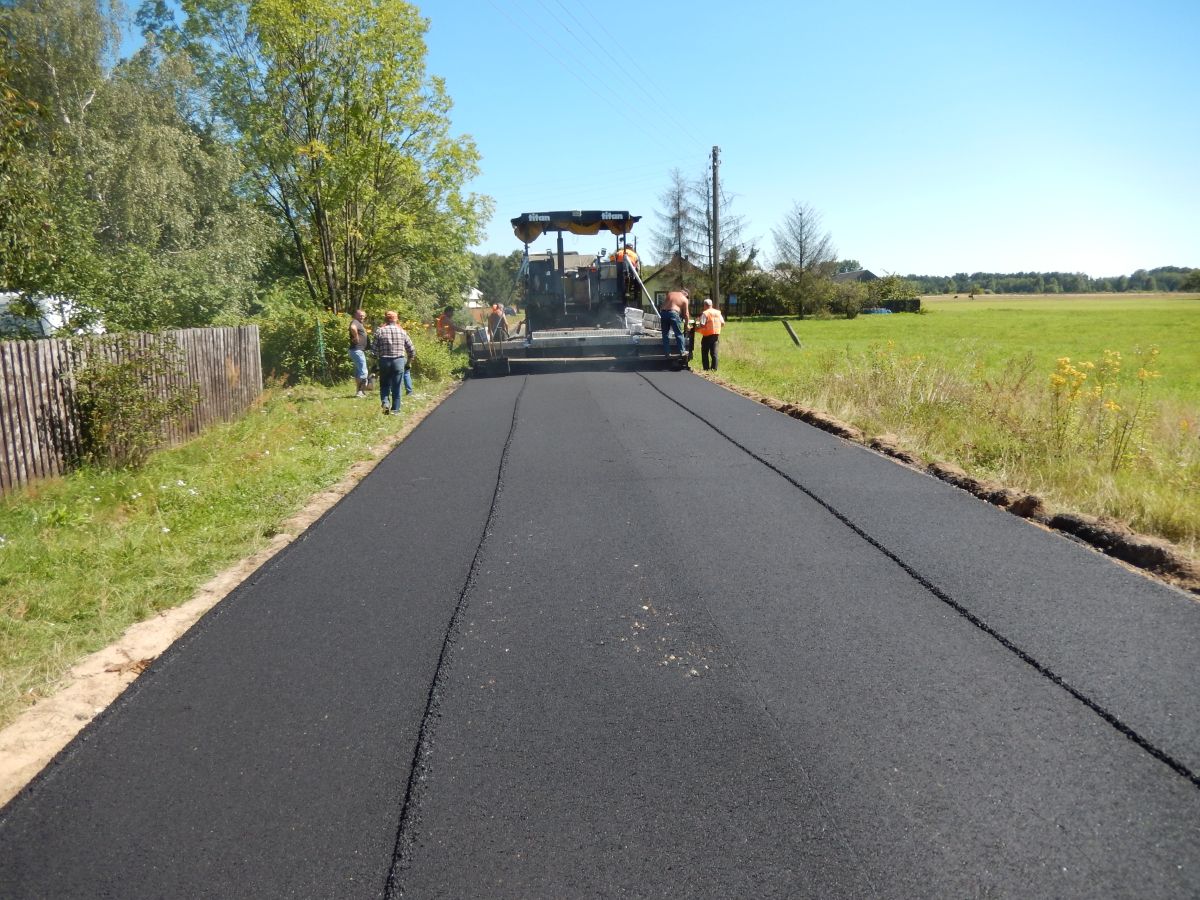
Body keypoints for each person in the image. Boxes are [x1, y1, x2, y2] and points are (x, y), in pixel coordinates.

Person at [372, 310, 415, 415]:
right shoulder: (402, 331)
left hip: (384, 361)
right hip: (399, 361)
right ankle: (395, 410)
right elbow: (411, 350)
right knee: (397, 386)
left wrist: (375, 364)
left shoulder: (380, 331)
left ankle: (385, 402)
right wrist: (408, 363)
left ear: (385, 319)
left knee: (384, 384)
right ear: (396, 319)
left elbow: (373, 351)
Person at [696, 298, 725, 372]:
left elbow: (702, 324)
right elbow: (722, 323)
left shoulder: (705, 313)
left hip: (707, 335)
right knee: (714, 353)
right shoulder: (718, 312)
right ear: (711, 305)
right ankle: (714, 369)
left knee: (705, 352)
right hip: (716, 335)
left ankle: (706, 368)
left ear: (705, 305)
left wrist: (696, 327)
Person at [660, 288, 690, 358]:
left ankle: (667, 353)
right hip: (673, 313)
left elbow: (663, 305)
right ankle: (682, 352)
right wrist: (687, 324)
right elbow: (686, 314)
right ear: (686, 294)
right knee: (679, 333)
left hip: (663, 313)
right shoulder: (685, 299)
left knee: (665, 334)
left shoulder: (670, 294)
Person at [348, 308, 370, 397]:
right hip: (357, 350)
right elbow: (352, 328)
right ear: (355, 315)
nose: (362, 317)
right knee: (364, 372)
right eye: (360, 315)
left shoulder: (359, 323)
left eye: (363, 316)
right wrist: (356, 336)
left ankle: (359, 391)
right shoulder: (355, 322)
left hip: (356, 350)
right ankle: (360, 392)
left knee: (358, 372)